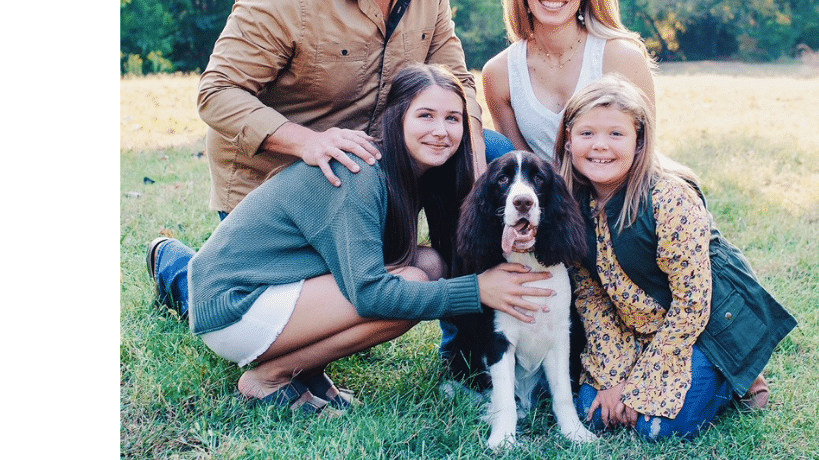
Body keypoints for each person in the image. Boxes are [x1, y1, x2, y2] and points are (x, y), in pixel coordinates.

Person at [149, 0, 514, 318]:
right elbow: (217, 91)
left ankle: (470, 351)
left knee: (494, 153)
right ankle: (183, 272)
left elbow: (456, 77)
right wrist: (310, 143)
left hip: (372, 180)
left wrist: (474, 145)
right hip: (282, 189)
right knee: (267, 307)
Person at [149, 64, 553, 413]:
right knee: (408, 285)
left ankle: (307, 370)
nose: (441, 131)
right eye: (425, 116)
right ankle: (269, 378)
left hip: (278, 289)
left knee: (428, 264)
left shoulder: (410, 172)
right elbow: (369, 294)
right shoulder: (359, 174)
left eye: (452, 118)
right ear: (396, 119)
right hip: (231, 306)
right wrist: (476, 289)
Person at [555, 75, 795, 440]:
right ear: (569, 140)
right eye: (587, 133)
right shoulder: (570, 204)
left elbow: (692, 304)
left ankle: (733, 375)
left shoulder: (669, 198)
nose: (600, 146)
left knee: (657, 428)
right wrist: (617, 380)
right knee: (596, 414)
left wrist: (640, 390)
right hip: (636, 329)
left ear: (639, 143)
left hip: (703, 328)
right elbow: (591, 296)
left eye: (616, 134)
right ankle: (663, 376)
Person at [481, 0, 656, 161]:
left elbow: (644, 154)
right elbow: (521, 169)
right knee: (491, 144)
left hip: (616, 193)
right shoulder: (499, 73)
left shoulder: (622, 57)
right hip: (547, 196)